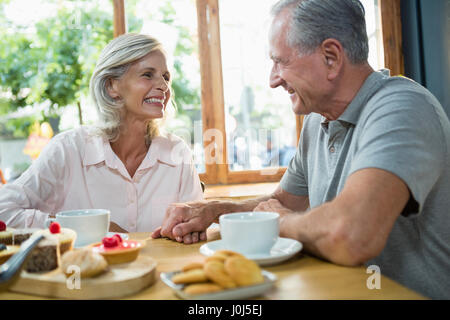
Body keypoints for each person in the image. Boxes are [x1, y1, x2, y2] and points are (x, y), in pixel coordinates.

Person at [152, 0, 450, 299]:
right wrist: (216, 212)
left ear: (331, 57)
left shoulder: (403, 108)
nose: (273, 79)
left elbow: (350, 235)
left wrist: (281, 222)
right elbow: (284, 202)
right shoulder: (317, 119)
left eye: (280, 61)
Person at [0, 33, 203, 233]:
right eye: (147, 74)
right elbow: (4, 210)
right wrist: (88, 225)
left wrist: (190, 230)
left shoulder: (178, 151)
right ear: (111, 85)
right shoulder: (68, 149)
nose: (163, 86)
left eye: (166, 77)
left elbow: (194, 224)